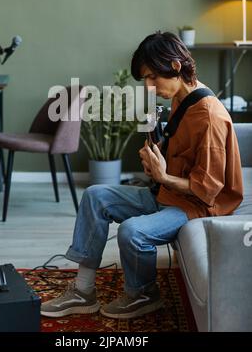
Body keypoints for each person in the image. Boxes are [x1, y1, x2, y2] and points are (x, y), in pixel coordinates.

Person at [41, 31, 243, 320]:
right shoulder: (180, 97)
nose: (148, 87)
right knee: (95, 195)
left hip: (199, 206)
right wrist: (157, 158)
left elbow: (207, 190)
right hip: (171, 193)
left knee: (133, 231)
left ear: (175, 67)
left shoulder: (208, 116)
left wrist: (163, 176)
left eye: (152, 78)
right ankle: (83, 291)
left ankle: (143, 294)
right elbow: (181, 154)